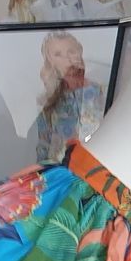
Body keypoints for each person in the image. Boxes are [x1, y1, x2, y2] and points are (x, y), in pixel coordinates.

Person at [31, 31, 102, 163]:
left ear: (80, 52)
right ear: (50, 61)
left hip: (91, 168)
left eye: (71, 51)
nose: (68, 59)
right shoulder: (48, 99)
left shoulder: (97, 92)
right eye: (58, 55)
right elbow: (44, 146)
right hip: (59, 171)